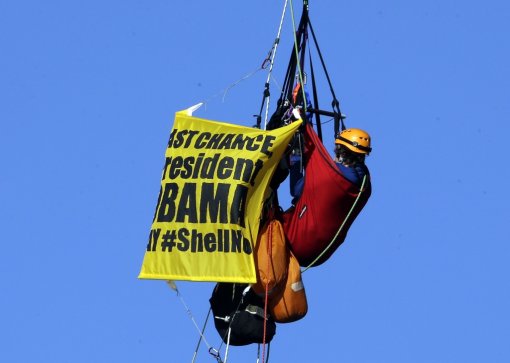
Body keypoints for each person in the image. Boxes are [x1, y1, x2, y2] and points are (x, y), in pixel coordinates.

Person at [290, 127, 371, 203]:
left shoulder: (335, 173)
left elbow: (296, 190)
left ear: (342, 152)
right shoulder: (365, 179)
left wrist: (296, 157)